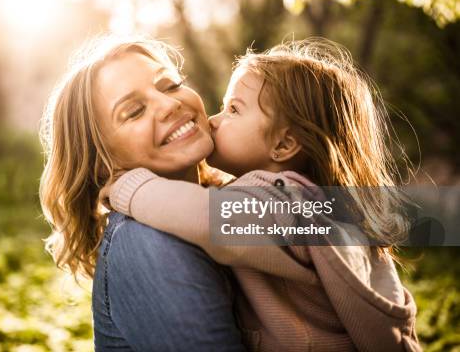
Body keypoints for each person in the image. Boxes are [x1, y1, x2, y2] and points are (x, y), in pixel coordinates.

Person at [107, 39, 422, 351]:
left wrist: (127, 186)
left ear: (283, 145)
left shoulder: (287, 201)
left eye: (233, 110)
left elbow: (208, 218)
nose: (214, 122)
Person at [39, 35, 246, 350]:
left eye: (170, 85)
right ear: (99, 162)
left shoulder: (233, 199)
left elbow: (328, 221)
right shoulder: (145, 240)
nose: (170, 104)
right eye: (134, 111)